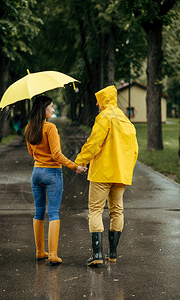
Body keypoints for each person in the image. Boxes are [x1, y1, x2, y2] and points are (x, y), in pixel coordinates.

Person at [75, 85, 138, 266]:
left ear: (104, 100)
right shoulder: (126, 121)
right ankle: (112, 254)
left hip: (102, 173)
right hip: (120, 175)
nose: (96, 104)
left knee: (95, 210)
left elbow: (94, 142)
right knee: (117, 210)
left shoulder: (104, 117)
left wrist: (81, 161)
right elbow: (134, 151)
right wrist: (126, 170)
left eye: (98, 100)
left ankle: (97, 255)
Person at [25, 95, 86, 265]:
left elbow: (31, 153)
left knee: (38, 212)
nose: (53, 109)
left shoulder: (29, 128)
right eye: (50, 107)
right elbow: (57, 155)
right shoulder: (50, 128)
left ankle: (39, 251)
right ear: (43, 109)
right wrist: (75, 167)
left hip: (36, 172)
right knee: (53, 213)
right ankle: (52, 254)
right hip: (52, 174)